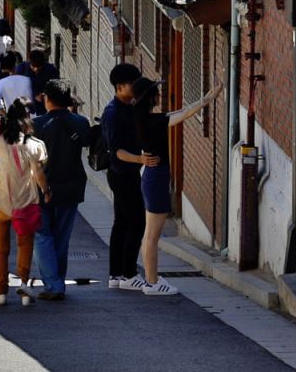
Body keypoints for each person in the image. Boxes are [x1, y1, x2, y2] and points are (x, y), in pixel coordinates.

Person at [131, 76, 221, 295]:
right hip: (156, 178)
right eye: (156, 92)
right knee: (152, 236)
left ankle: (151, 278)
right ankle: (152, 283)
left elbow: (176, 113)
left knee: (149, 234)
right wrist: (207, 100)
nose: (159, 95)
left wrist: (206, 98)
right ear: (149, 97)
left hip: (151, 176)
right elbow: (183, 115)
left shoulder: (142, 118)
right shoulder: (152, 122)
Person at [30, 80, 92, 302]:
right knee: (61, 237)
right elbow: (87, 141)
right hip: (71, 185)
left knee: (42, 235)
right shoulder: (80, 122)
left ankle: (54, 284)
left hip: (41, 186)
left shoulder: (36, 124)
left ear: (47, 99)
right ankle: (57, 282)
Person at [0, 97, 46, 306]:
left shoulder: (1, 139)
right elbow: (39, 171)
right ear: (28, 118)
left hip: (3, 202)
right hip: (25, 202)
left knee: (1, 248)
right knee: (25, 244)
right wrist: (46, 190)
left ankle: (0, 291)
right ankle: (24, 287)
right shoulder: (34, 144)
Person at [100, 63, 149, 290]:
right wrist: (141, 159)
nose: (136, 88)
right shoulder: (113, 113)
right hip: (121, 174)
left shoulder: (130, 107)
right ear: (120, 86)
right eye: (133, 84)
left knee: (121, 223)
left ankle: (116, 274)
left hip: (127, 173)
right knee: (136, 222)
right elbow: (116, 150)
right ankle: (128, 273)